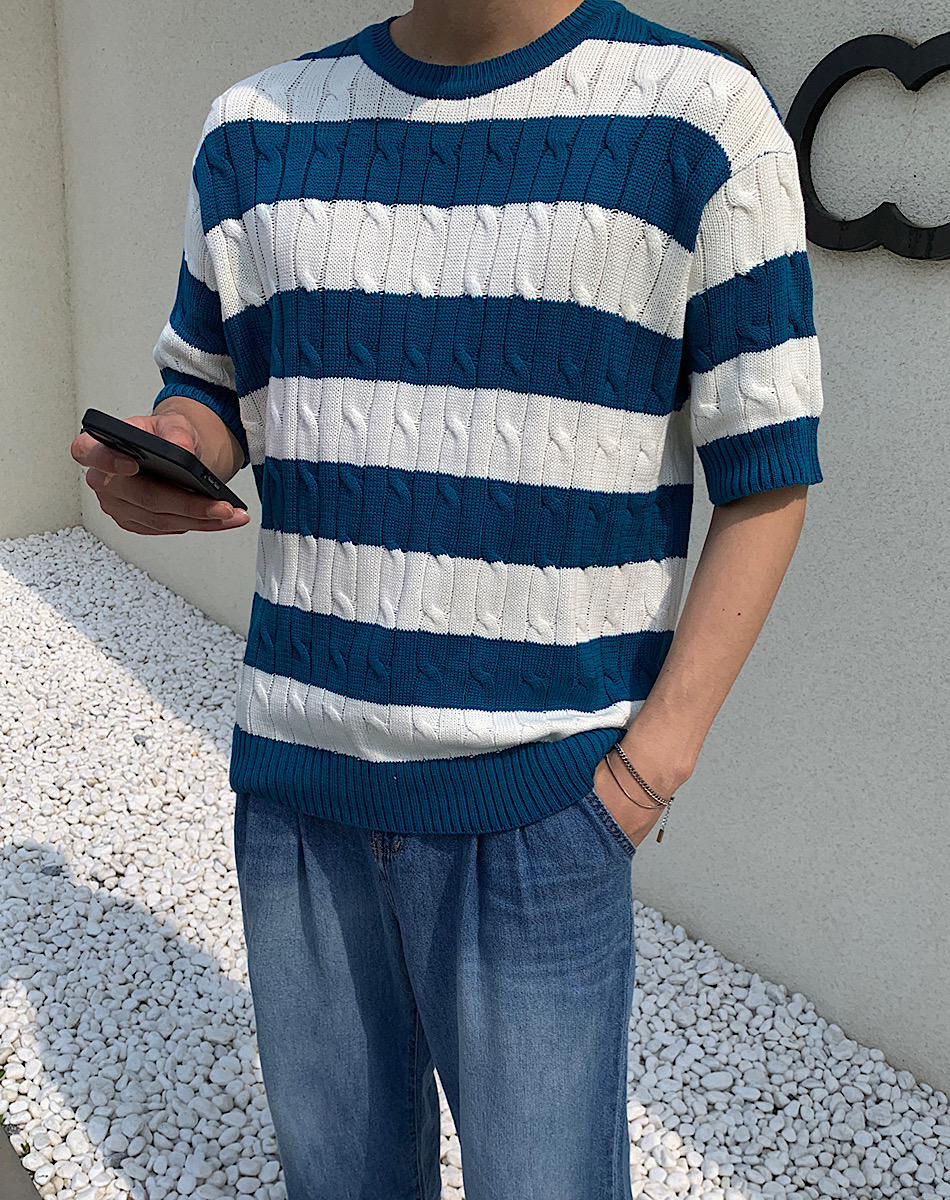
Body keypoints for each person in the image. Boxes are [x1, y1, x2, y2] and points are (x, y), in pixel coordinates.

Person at [70, 0, 824, 1196]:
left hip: (542, 809)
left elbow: (766, 473)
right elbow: (212, 388)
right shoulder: (254, 128)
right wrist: (170, 449)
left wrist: (642, 776)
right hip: (297, 783)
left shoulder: (701, 122)